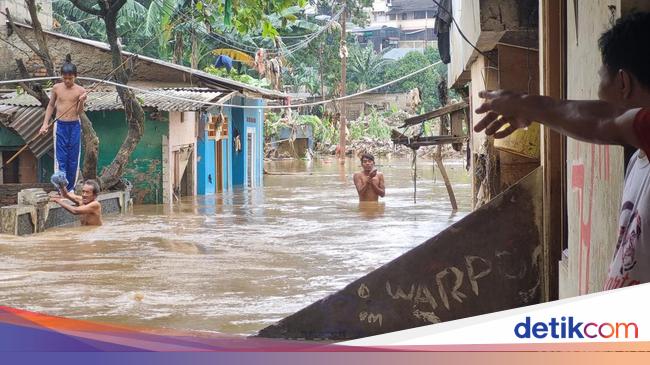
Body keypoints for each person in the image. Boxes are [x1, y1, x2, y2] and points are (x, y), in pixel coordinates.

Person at [473, 12, 650, 290]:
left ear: (623, 82)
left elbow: (607, 121)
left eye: (600, 76)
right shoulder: (638, 162)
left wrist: (527, 104)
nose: (597, 91)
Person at [39, 57, 87, 192]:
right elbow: (50, 105)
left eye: (70, 78)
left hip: (74, 126)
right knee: (61, 158)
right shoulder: (56, 88)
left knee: (73, 158)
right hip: (60, 125)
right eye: (65, 78)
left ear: (75, 77)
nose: (67, 81)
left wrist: (82, 101)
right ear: (61, 76)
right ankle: (61, 188)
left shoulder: (81, 91)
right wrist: (45, 124)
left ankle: (70, 188)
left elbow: (79, 112)